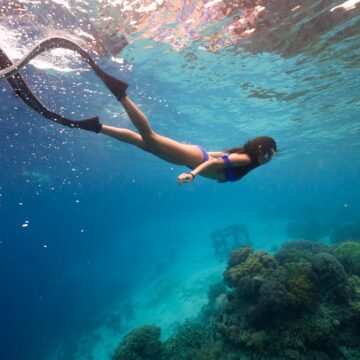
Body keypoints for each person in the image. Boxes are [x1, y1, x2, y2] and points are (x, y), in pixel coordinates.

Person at [0, 37, 277, 184]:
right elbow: (217, 163)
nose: (267, 158)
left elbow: (220, 155)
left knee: (142, 143)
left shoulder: (243, 155)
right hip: (194, 161)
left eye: (271, 156)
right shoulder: (247, 161)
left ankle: (96, 126)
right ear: (259, 149)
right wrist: (193, 173)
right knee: (150, 137)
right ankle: (120, 95)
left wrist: (195, 156)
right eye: (267, 153)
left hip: (194, 156)